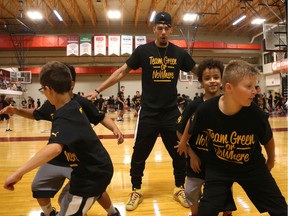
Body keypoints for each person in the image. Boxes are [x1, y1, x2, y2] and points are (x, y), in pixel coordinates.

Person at [85, 11, 196, 211]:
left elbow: (201, 71)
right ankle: (136, 189)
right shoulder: (143, 51)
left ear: (171, 30)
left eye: (166, 28)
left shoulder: (179, 53)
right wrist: (97, 90)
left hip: (171, 112)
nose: (163, 32)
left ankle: (179, 187)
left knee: (180, 152)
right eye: (159, 28)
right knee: (139, 155)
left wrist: (223, 84)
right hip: (149, 113)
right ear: (154, 29)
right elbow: (121, 72)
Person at [1, 64, 123, 216]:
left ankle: (108, 208)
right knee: (64, 201)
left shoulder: (65, 114)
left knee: (70, 208)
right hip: (85, 168)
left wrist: (18, 173)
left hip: (93, 173)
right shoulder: (70, 106)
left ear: (48, 89)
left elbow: (55, 148)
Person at [187, 60, 287, 215]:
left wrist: (271, 161)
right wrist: (191, 153)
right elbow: (190, 131)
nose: (255, 91)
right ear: (229, 88)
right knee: (206, 211)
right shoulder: (206, 110)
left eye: (255, 86)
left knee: (281, 210)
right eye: (249, 87)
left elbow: (267, 139)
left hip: (251, 167)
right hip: (219, 168)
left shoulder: (255, 114)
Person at [176, 59, 235, 216]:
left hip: (221, 163)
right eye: (207, 78)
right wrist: (191, 152)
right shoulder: (194, 105)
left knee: (225, 200)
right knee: (190, 192)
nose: (212, 81)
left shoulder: (230, 103)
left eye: (216, 77)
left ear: (222, 79)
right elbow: (179, 130)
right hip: (197, 162)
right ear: (201, 81)